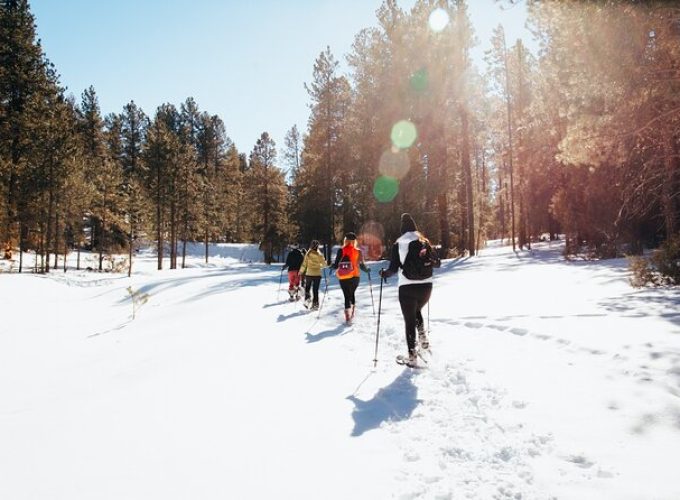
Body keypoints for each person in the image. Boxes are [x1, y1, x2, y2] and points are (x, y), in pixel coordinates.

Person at [379, 213, 440, 366]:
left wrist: (384, 273)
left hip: (407, 287)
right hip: (427, 287)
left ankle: (412, 356)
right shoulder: (424, 240)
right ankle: (423, 339)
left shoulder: (399, 243)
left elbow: (393, 268)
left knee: (409, 320)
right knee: (416, 311)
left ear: (402, 228)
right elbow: (437, 263)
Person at [331, 232, 370, 323]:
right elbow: (362, 266)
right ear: (354, 241)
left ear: (345, 240)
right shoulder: (358, 251)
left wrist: (332, 266)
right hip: (355, 276)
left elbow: (336, 265)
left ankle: (347, 314)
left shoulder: (341, 250)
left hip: (343, 277)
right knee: (351, 293)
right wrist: (367, 270)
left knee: (346, 295)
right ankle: (351, 313)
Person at [299, 240, 326, 310]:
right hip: (317, 275)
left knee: (307, 288)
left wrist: (301, 272)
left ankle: (307, 300)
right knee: (315, 290)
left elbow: (304, 264)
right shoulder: (319, 254)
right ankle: (315, 304)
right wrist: (321, 265)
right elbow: (324, 264)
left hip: (309, 274)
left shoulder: (308, 253)